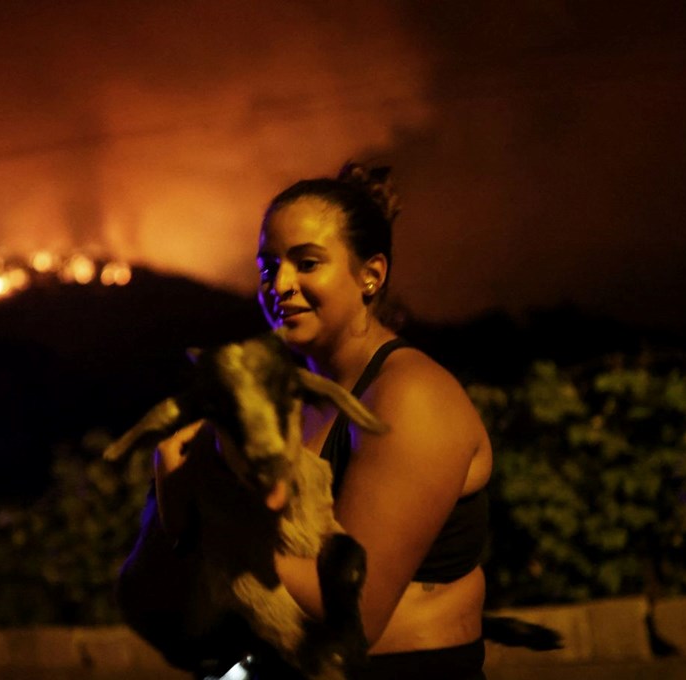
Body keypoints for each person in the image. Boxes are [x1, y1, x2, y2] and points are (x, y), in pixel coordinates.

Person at [123, 162, 492, 679]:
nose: (282, 284)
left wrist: (215, 525)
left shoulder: (412, 397)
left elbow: (356, 610)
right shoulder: (287, 400)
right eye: (269, 266)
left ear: (371, 274)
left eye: (307, 263)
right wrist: (178, 485)